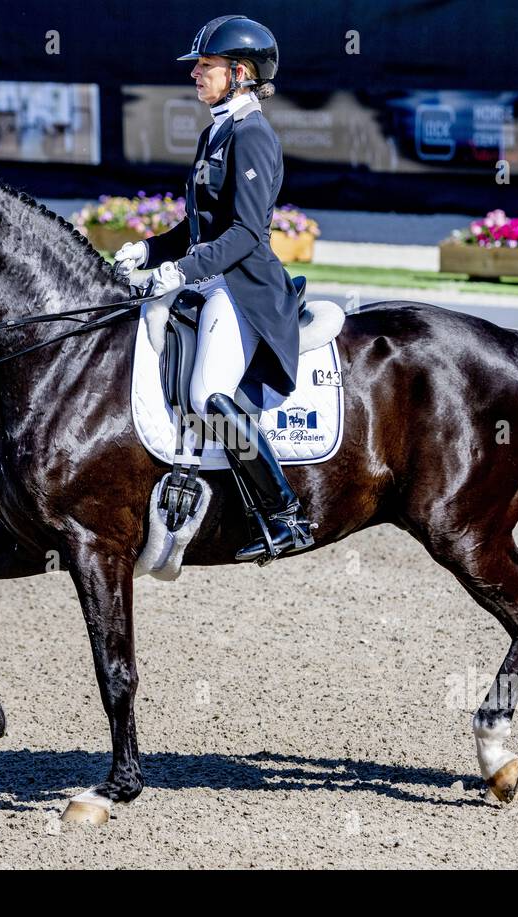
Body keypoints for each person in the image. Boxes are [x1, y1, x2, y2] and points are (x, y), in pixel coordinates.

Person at [114, 15, 313, 563]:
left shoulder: (253, 135)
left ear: (241, 73)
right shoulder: (215, 132)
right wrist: (152, 251)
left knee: (208, 395)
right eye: (198, 66)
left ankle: (284, 514)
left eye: (206, 66)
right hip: (212, 282)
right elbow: (197, 226)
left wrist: (184, 270)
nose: (196, 74)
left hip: (244, 291)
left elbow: (246, 233)